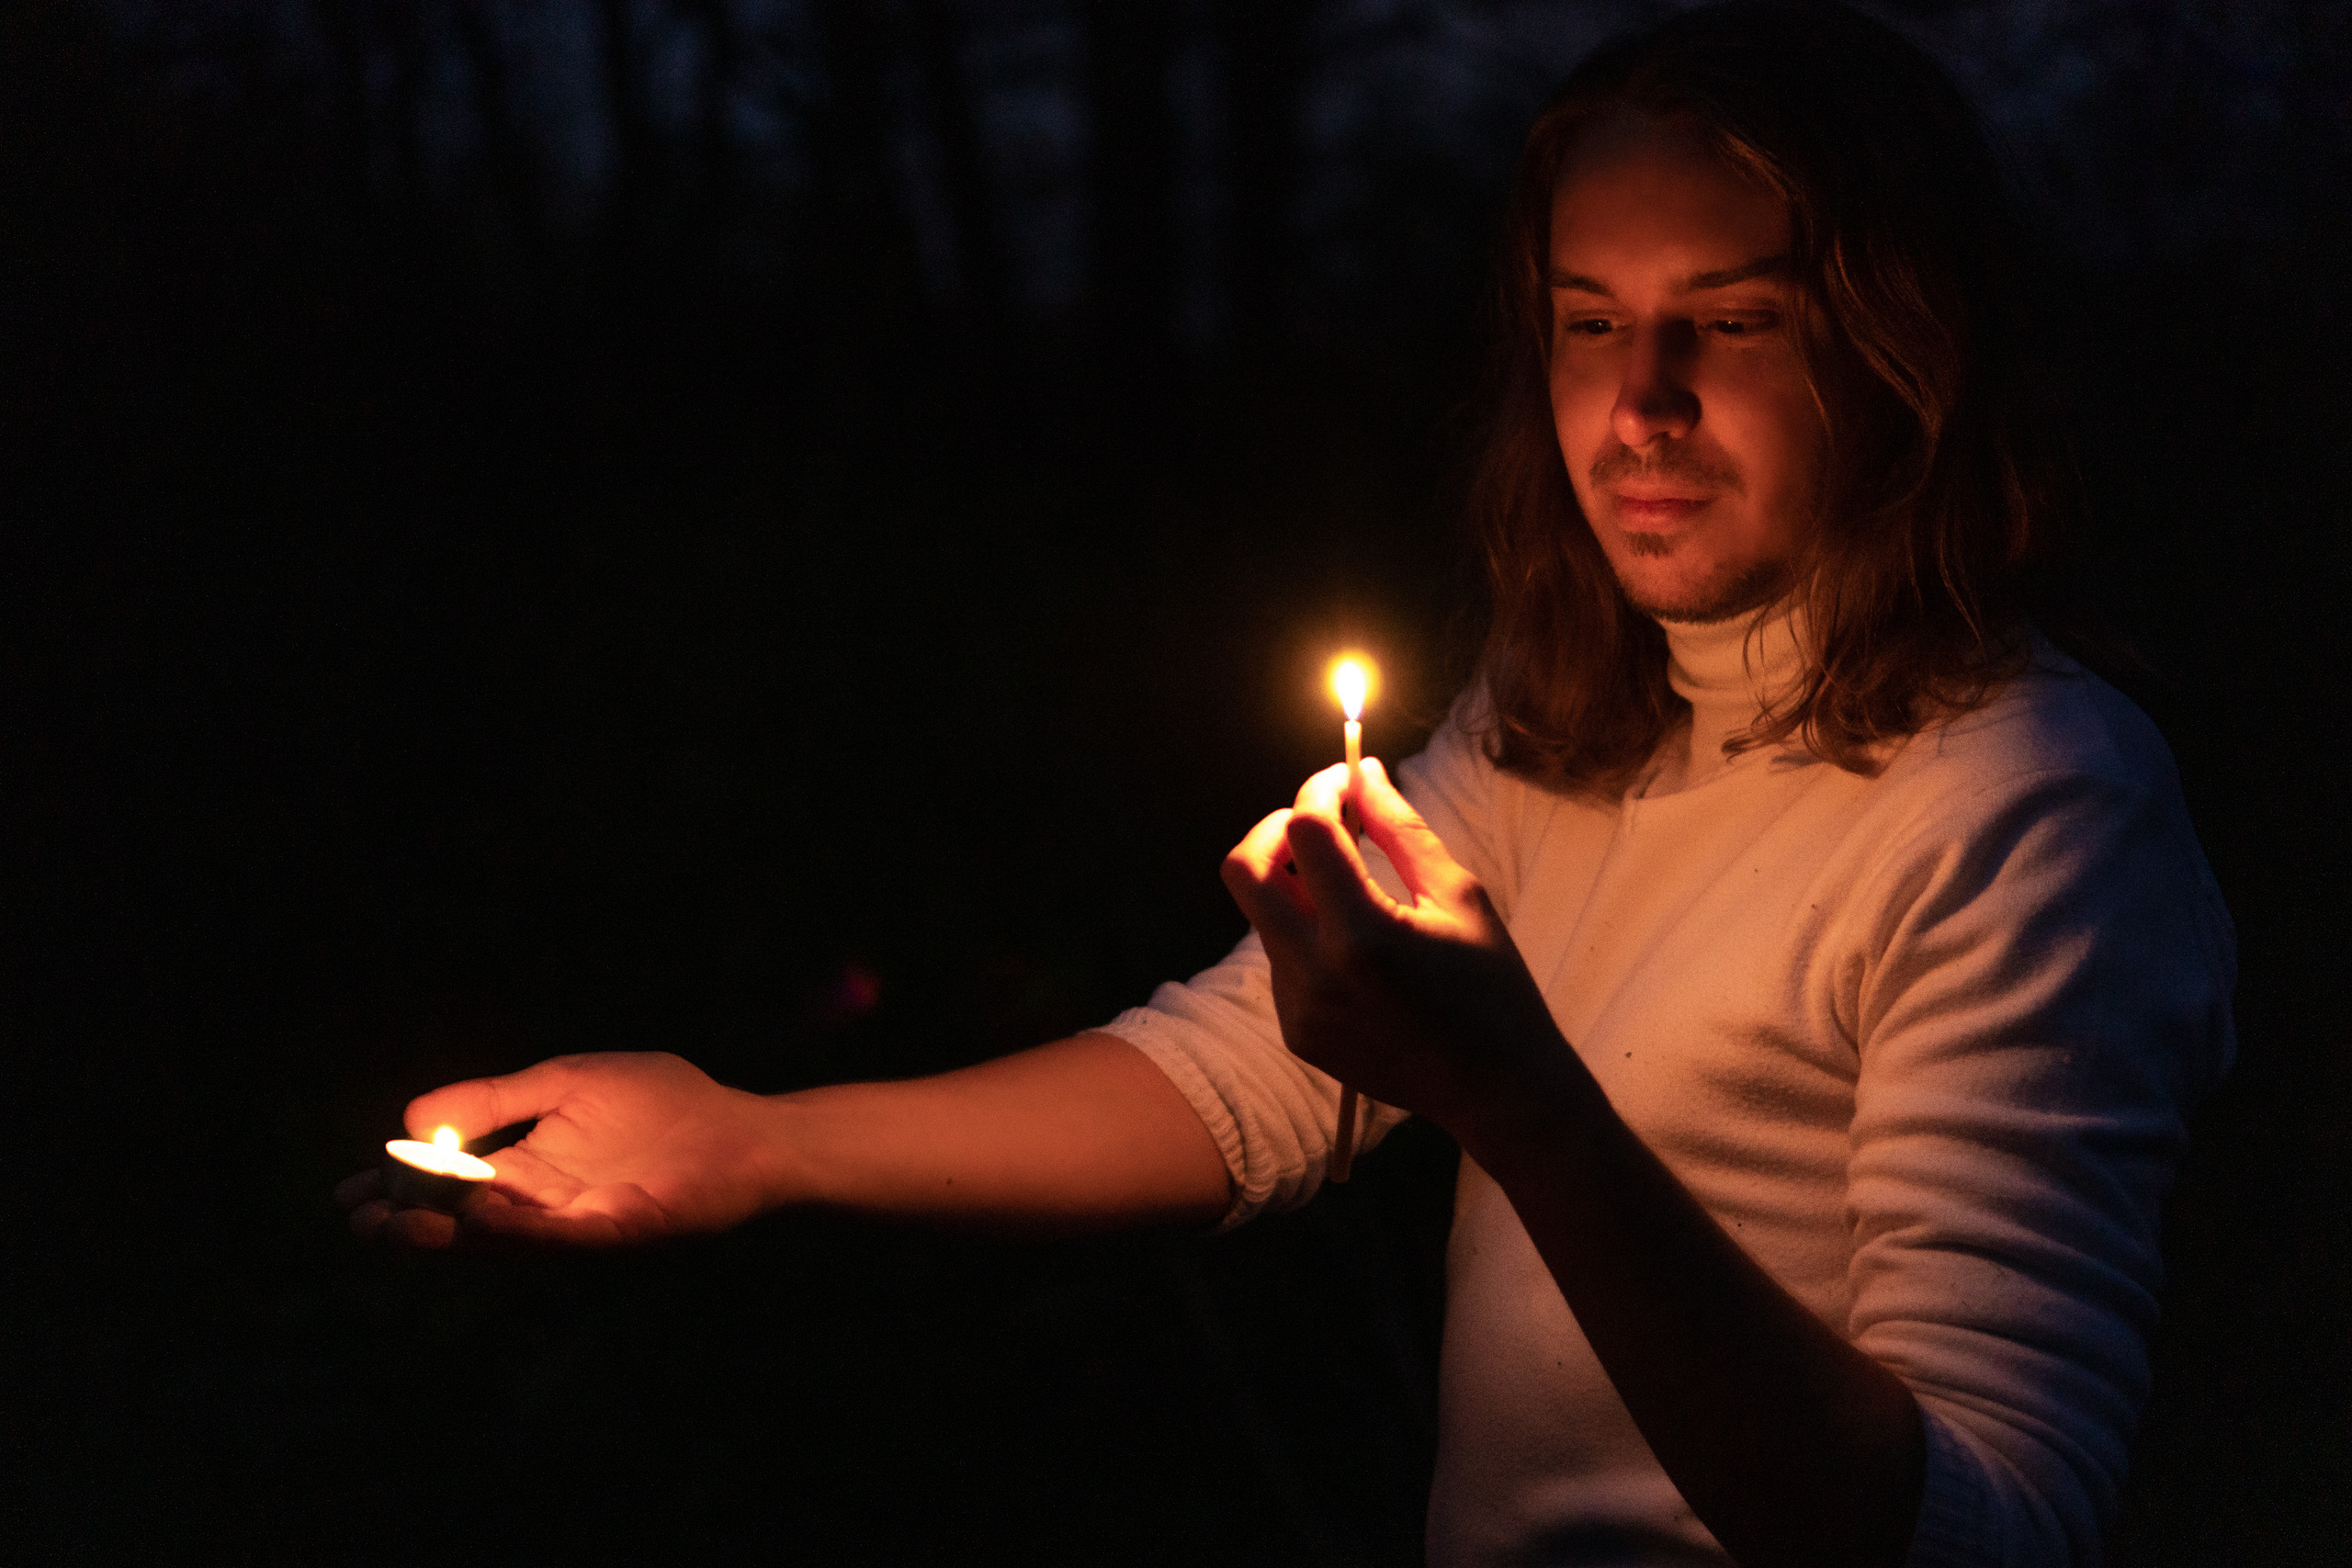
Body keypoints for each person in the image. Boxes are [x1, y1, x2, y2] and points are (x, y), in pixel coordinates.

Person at [338, 6, 2235, 1565]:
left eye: (1730, 325)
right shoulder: (1564, 708)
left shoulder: (2029, 803)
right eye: (1587, 321)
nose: (1638, 402)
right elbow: (1246, 1082)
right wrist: (752, 1139)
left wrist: (1520, 1099)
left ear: (1900, 356)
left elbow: (1975, 1534)